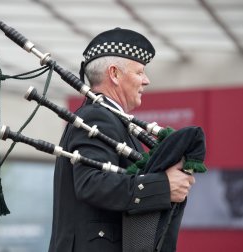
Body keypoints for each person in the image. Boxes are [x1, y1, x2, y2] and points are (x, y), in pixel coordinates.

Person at [48, 28, 195, 252]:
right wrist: (163, 186)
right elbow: (91, 184)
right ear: (114, 74)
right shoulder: (96, 116)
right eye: (139, 72)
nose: (146, 81)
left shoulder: (110, 119)